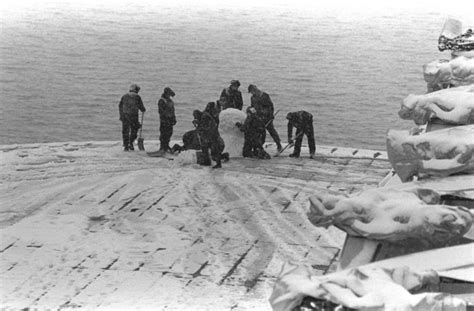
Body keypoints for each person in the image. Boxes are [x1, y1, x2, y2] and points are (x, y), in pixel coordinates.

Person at [248, 84, 282, 151]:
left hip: (267, 117)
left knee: (271, 131)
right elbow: (252, 107)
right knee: (260, 132)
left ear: (254, 90)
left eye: (251, 91)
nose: (251, 93)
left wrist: (271, 115)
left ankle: (278, 144)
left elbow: (270, 106)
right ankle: (259, 146)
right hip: (258, 117)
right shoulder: (252, 98)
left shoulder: (264, 96)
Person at [196, 102, 227, 168]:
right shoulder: (211, 114)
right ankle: (220, 159)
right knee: (212, 150)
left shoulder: (207, 116)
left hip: (211, 136)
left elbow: (207, 127)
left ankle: (217, 162)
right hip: (212, 135)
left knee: (213, 151)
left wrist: (200, 128)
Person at [119, 84, 146, 151]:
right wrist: (143, 109)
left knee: (125, 131)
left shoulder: (124, 96)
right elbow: (141, 107)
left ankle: (126, 145)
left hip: (124, 115)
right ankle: (130, 143)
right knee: (134, 129)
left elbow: (120, 106)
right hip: (133, 115)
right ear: (136, 90)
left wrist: (121, 115)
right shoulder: (137, 96)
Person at [158, 87, 176, 152]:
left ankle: (166, 145)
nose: (169, 95)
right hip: (164, 120)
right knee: (163, 133)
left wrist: (174, 118)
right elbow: (161, 111)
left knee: (169, 133)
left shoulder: (170, 101)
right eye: (168, 94)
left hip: (170, 119)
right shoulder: (162, 100)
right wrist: (166, 117)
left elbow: (173, 110)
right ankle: (162, 147)